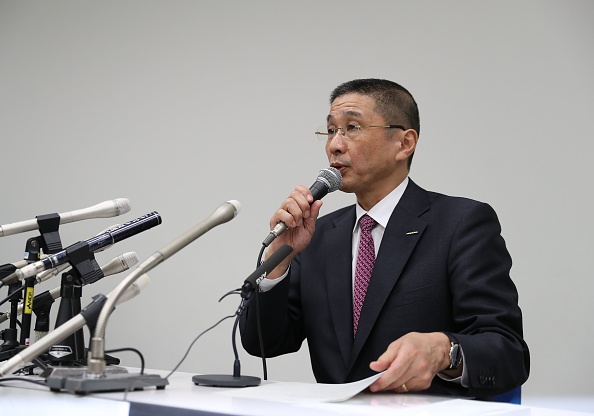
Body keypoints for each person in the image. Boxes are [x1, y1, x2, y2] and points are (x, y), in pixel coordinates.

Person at [240, 78, 529, 398]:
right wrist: (279, 260)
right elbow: (263, 343)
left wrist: (444, 351)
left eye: (352, 127)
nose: (335, 145)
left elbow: (509, 352)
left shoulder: (460, 224)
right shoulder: (317, 235)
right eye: (331, 130)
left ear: (404, 143)